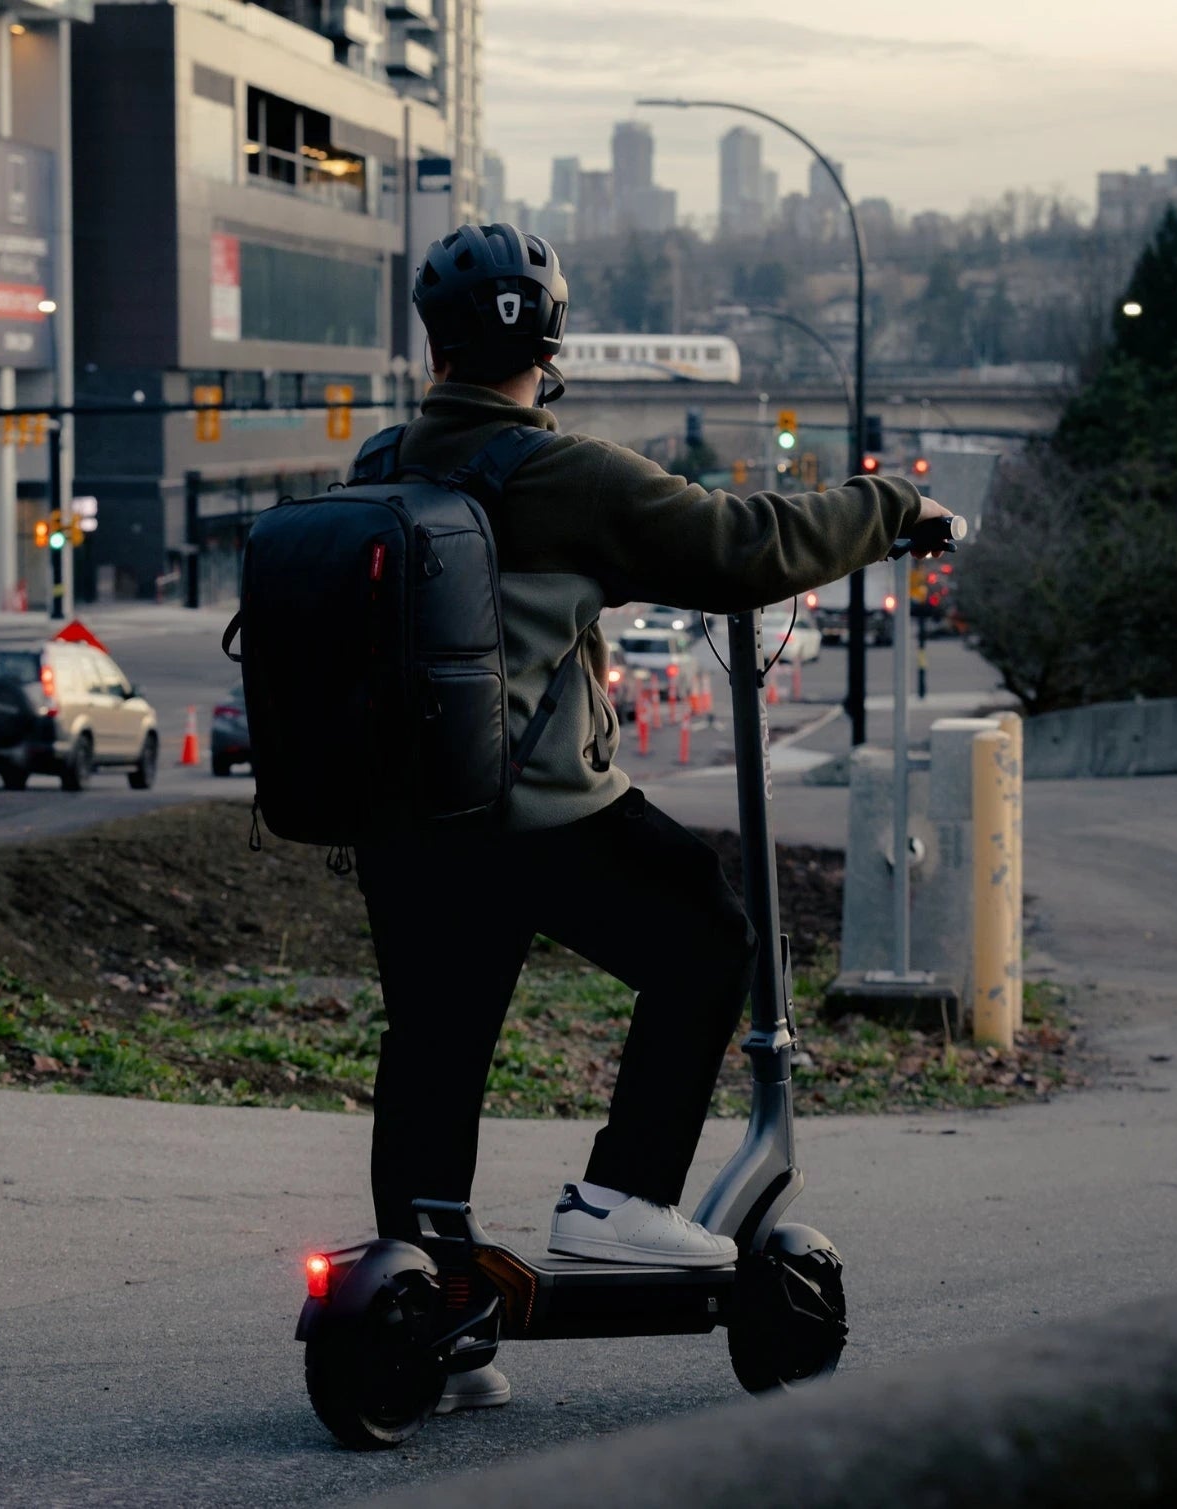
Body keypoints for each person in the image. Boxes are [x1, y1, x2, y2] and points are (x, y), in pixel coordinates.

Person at [357, 223, 952, 1414]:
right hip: (536, 818)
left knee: (435, 1040)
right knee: (705, 935)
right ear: (553, 333)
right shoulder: (563, 472)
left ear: (438, 342)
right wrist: (890, 507)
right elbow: (744, 547)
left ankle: (432, 1295)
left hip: (404, 825)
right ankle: (622, 1200)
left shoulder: (381, 464)